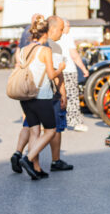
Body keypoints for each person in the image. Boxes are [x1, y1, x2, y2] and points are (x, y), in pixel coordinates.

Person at [11, 16, 73, 175]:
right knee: (51, 131)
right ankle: (28, 158)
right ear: (46, 32)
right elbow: (52, 75)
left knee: (34, 131)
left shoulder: (24, 49)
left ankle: (35, 167)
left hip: (26, 96)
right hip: (43, 95)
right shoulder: (46, 50)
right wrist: (61, 68)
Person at [58, 19, 90, 132]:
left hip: (56, 71)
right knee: (71, 96)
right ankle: (75, 122)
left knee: (57, 97)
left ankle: (54, 121)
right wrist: (83, 68)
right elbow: (74, 55)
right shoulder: (67, 37)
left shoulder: (52, 38)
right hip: (68, 70)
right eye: (68, 26)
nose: (69, 28)